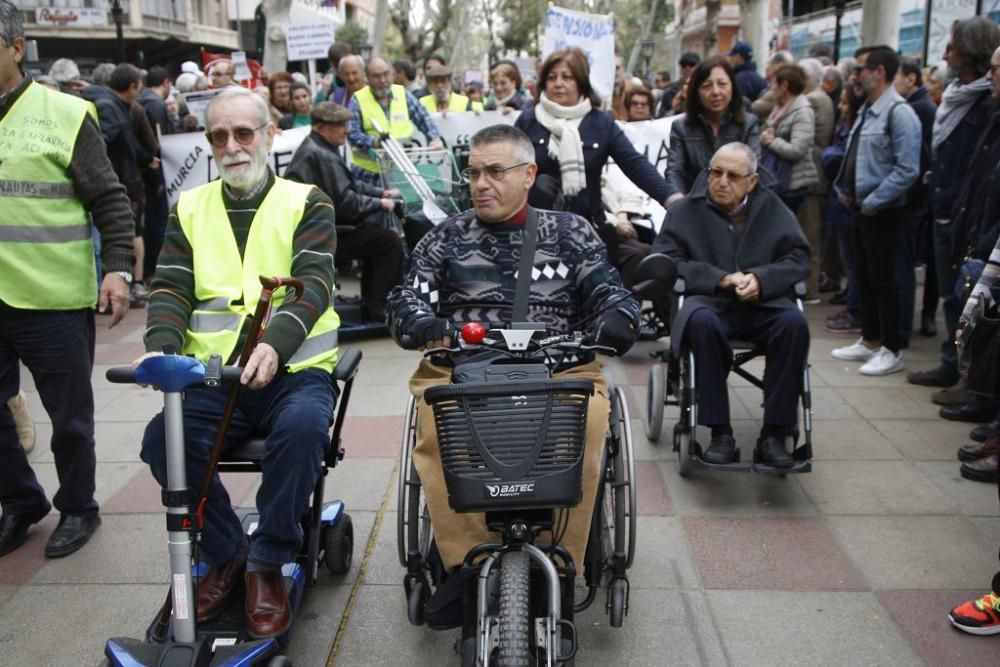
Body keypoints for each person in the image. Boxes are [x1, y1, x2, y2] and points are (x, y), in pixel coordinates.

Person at [386, 123, 639, 620]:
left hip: (558, 367)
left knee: (589, 427)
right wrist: (425, 323)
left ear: (529, 175)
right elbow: (404, 299)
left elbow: (610, 293)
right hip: (462, 368)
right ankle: (466, 567)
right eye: (474, 173)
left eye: (495, 172)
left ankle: (561, 563)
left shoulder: (571, 234)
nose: (480, 183)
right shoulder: (446, 238)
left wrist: (617, 319)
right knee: (438, 430)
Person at [138, 86, 340, 638]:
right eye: (218, 135)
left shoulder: (308, 201)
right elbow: (172, 286)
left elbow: (314, 283)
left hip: (295, 372)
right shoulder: (190, 206)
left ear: (269, 134)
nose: (232, 145)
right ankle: (227, 552)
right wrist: (162, 346)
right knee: (162, 442)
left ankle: (269, 561)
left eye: (244, 132)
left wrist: (275, 344)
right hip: (214, 376)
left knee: (301, 434)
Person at [0, 0, 134, 559]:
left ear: (14, 47)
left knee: (69, 419)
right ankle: (21, 500)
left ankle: (79, 506)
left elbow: (109, 198)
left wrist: (119, 268)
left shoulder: (63, 114)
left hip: (50, 297)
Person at [653, 142, 811, 468]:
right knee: (700, 323)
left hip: (764, 304)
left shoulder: (773, 208)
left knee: (794, 324)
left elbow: (799, 258)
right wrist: (719, 278)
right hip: (710, 302)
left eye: (733, 175)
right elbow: (666, 260)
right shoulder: (684, 211)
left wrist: (762, 279)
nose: (722, 181)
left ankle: (775, 433)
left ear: (751, 181)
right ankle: (720, 431)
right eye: (716, 172)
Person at [908, 19, 1000, 406]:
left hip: (972, 219)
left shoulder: (985, 104)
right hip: (947, 210)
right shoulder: (959, 96)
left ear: (972, 51)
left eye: (953, 48)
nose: (945, 55)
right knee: (950, 294)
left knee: (971, 301)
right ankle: (953, 363)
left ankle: (973, 381)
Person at [514, 47, 672, 255]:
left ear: (581, 81)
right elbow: (509, 168)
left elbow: (634, 164)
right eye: (552, 77)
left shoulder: (601, 122)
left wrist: (671, 198)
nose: (558, 83)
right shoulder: (528, 120)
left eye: (567, 77)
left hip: (588, 232)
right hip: (535, 234)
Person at [831, 45, 921, 376]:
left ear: (879, 72)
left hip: (883, 212)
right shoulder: (869, 110)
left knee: (885, 279)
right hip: (859, 209)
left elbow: (907, 169)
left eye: (860, 69)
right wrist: (845, 191)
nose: (855, 76)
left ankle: (891, 347)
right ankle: (869, 338)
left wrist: (873, 200)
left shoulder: (899, 113)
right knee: (864, 277)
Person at [286, 102, 404, 322]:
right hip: (321, 235)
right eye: (340, 124)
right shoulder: (322, 154)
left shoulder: (319, 147)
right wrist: (380, 203)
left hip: (320, 227)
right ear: (321, 127)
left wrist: (382, 192)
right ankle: (379, 307)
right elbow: (347, 204)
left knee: (376, 235)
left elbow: (350, 183)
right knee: (389, 241)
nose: (347, 129)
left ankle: (372, 303)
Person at [665, 56, 761, 204]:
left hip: (737, 209)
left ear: (733, 87)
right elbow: (675, 172)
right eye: (707, 86)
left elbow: (754, 169)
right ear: (696, 91)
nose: (716, 92)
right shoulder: (681, 128)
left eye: (722, 84)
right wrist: (680, 205)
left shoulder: (748, 124)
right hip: (695, 209)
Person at [348, 56, 442, 186]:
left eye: (386, 74)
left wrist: (434, 137)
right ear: (367, 78)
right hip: (369, 175)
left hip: (401, 171)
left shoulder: (403, 94)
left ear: (392, 73)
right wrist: (375, 142)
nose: (383, 80)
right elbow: (352, 134)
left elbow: (423, 117)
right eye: (376, 76)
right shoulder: (357, 100)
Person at [823, 86, 869, 335]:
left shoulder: (854, 130)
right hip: (839, 202)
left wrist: (830, 155)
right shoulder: (845, 127)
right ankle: (852, 304)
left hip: (850, 205)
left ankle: (856, 309)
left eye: (844, 103)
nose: (840, 107)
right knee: (849, 259)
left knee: (854, 261)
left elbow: (834, 158)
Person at [760, 64, 819, 215]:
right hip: (778, 178)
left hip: (792, 183)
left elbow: (797, 150)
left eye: (774, 83)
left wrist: (771, 142)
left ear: (784, 85)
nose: (771, 88)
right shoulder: (781, 108)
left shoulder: (802, 112)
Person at [657, 51, 700, 117]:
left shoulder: (705, 89)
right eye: (684, 64)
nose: (687, 68)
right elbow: (660, 119)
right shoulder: (670, 92)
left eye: (692, 64)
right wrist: (673, 109)